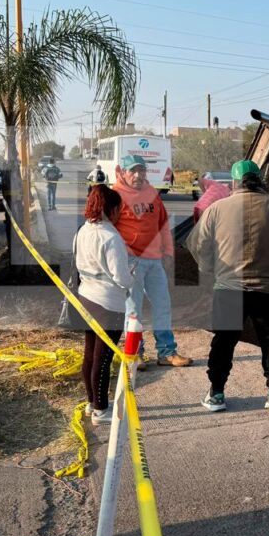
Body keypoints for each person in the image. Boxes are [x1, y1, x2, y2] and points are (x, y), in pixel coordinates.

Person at [187, 159, 269, 412]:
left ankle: (216, 394)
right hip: (267, 289)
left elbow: (197, 245)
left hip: (228, 288)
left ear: (234, 182)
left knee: (224, 341)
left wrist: (212, 270)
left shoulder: (217, 209)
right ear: (259, 180)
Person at [112, 154, 192, 368]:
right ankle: (135, 354)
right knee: (133, 310)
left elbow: (163, 224)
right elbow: (109, 231)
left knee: (162, 305)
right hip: (131, 262)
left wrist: (167, 252)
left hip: (154, 261)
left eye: (142, 170)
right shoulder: (115, 196)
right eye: (133, 171)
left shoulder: (151, 193)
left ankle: (166, 353)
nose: (138, 175)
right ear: (123, 171)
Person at [75, 185, 134, 426]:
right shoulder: (111, 237)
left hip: (86, 296)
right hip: (108, 302)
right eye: (119, 208)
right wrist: (132, 275)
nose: (120, 213)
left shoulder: (84, 230)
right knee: (104, 357)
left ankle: (91, 402)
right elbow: (121, 276)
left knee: (90, 353)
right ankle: (100, 409)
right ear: (111, 208)